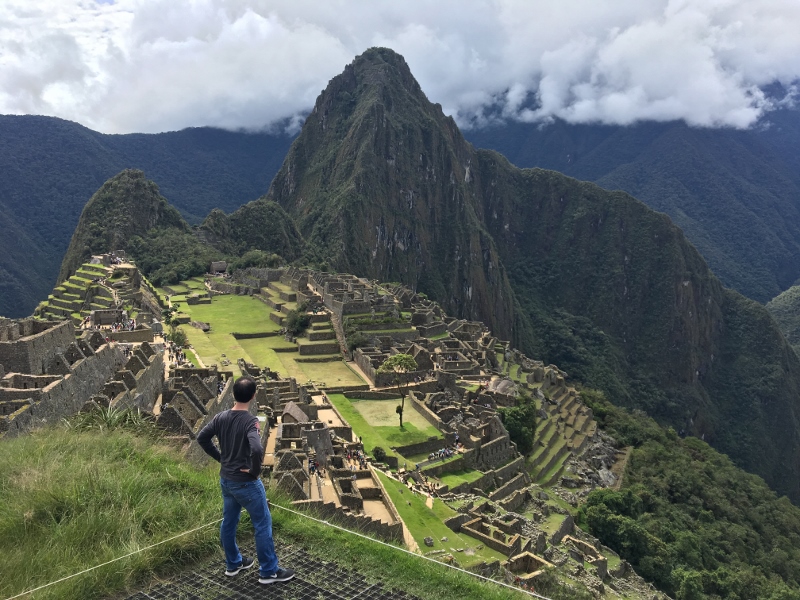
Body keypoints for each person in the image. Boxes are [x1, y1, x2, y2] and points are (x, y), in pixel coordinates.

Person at [197, 376, 295, 585]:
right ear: (253, 396)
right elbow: (257, 448)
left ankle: (233, 564)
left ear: (233, 394)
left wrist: (221, 458)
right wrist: (254, 471)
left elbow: (202, 438)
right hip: (245, 482)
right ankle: (269, 571)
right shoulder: (250, 421)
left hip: (226, 480)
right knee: (262, 524)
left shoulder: (221, 417)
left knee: (229, 522)